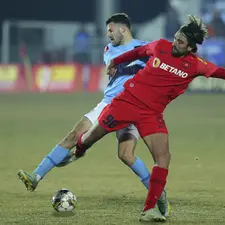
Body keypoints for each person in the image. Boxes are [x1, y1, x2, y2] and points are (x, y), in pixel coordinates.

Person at [63, 15, 225, 222]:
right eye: (176, 38)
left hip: (151, 114)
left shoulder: (196, 65)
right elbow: (138, 52)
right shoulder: (160, 46)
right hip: (126, 102)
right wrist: (116, 61)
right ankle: (79, 151)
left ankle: (149, 209)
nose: (175, 43)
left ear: (191, 47)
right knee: (90, 137)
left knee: (163, 157)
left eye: (181, 42)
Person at [17, 13, 170, 216]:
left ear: (122, 29)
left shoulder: (146, 47)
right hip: (108, 104)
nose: (107, 34)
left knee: (126, 155)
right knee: (73, 135)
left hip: (133, 105)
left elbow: (158, 63)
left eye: (110, 30)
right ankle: (36, 176)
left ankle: (159, 195)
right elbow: (117, 64)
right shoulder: (110, 49)